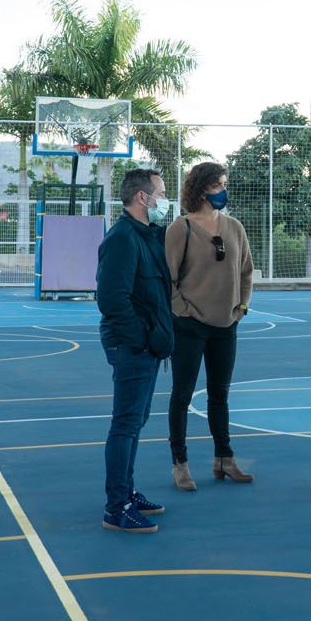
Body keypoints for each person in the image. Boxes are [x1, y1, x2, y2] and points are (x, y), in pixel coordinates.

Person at [165, 162, 255, 490]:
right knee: (182, 394)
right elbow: (168, 279)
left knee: (220, 395)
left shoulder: (234, 227)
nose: (223, 191)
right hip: (188, 327)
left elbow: (246, 272)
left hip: (225, 325)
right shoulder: (181, 228)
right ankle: (180, 463)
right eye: (219, 185)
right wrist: (184, 311)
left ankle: (224, 458)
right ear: (203, 189)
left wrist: (242, 307)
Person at [96, 168, 174, 534]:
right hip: (133, 346)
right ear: (142, 197)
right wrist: (141, 338)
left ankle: (127, 491)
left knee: (135, 422)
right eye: (160, 192)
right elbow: (112, 299)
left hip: (146, 345)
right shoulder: (123, 238)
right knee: (125, 424)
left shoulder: (149, 235)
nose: (165, 199)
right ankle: (117, 506)